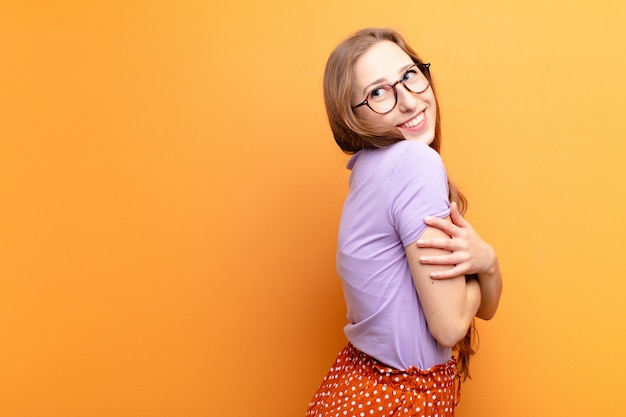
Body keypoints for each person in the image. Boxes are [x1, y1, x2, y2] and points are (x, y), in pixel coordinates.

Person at [306, 28, 503, 417]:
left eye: (410, 75)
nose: (410, 101)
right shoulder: (414, 162)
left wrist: (488, 266)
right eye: (378, 93)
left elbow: (481, 310)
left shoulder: (367, 169)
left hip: (356, 390)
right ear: (353, 117)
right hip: (393, 402)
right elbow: (450, 327)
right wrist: (488, 263)